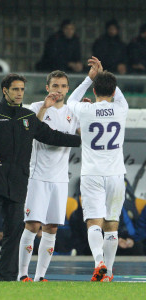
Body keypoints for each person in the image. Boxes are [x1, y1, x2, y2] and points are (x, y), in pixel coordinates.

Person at [0, 73, 81, 281]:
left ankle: (8, 277)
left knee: (14, 234)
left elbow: (52, 136)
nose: (19, 93)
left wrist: (83, 140)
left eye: (22, 89)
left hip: (18, 184)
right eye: (15, 89)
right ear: (5, 90)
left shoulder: (28, 117)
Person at [67, 56, 128, 282]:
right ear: (113, 92)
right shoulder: (121, 109)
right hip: (115, 174)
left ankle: (98, 262)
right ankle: (109, 273)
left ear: (94, 91)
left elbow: (70, 99)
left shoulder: (84, 110)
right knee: (112, 223)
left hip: (92, 173)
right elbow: (114, 93)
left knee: (94, 221)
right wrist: (103, 76)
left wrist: (89, 78)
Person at [18, 70, 80, 282]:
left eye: (63, 86)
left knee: (51, 228)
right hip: (38, 175)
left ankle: (40, 277)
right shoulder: (36, 107)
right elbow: (31, 130)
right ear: (47, 87)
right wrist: (45, 106)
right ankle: (22, 275)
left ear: (67, 89)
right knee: (32, 225)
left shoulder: (74, 112)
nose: (59, 90)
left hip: (60, 178)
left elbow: (81, 136)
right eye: (55, 86)